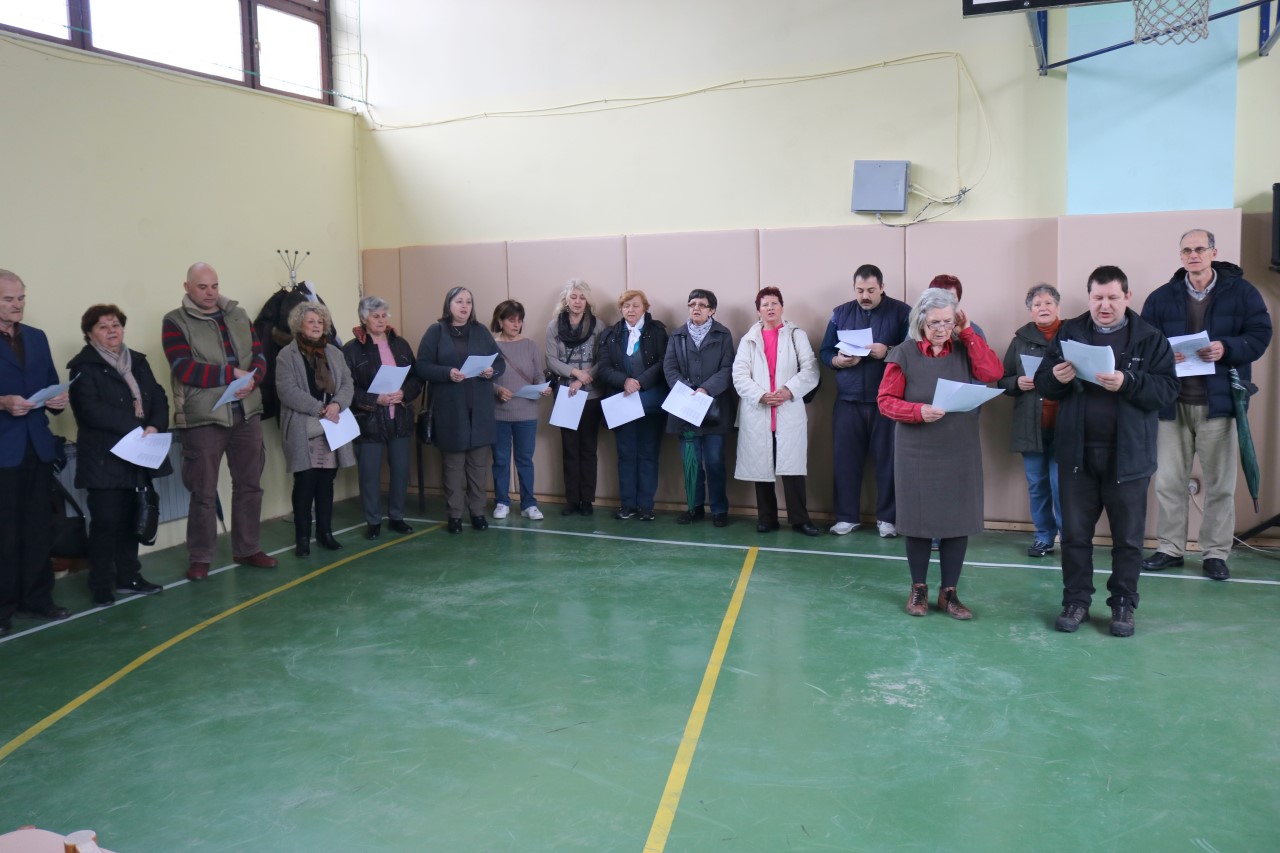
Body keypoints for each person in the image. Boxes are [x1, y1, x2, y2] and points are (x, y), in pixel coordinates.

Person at [1036, 265, 1178, 638]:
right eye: (1098, 297)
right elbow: (1044, 383)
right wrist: (1056, 378)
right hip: (1077, 455)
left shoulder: (1150, 338)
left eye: (1113, 297)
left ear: (1127, 297)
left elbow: (1166, 391)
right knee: (1074, 536)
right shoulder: (1070, 332)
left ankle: (1123, 605)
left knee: (1128, 540)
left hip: (1128, 457)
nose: (1105, 305)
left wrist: (1128, 382)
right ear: (1089, 297)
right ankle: (1076, 601)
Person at [1139, 229, 1273, 581]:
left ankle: (1215, 553)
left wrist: (1227, 348)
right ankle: (1170, 548)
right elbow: (1143, 343)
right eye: (1186, 250)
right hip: (1171, 404)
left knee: (1220, 485)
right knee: (1169, 482)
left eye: (1200, 249)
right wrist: (1163, 355)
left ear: (1214, 252)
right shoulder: (1161, 297)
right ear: (1180, 256)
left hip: (1220, 404)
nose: (1193, 255)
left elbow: (1260, 335)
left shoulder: (1242, 292)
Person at [878, 288, 1002, 619]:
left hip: (959, 445)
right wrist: (918, 411)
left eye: (948, 322)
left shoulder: (965, 347)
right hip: (916, 448)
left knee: (957, 520)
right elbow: (886, 401)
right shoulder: (903, 353)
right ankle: (918, 589)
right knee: (917, 520)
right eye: (935, 322)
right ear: (920, 321)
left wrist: (969, 332)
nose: (942, 329)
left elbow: (992, 373)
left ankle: (950, 593)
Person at [162, 262, 277, 581]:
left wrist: (253, 379)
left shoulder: (238, 315)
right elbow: (183, 367)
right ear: (187, 287)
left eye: (214, 286)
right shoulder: (174, 321)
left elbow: (259, 356)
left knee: (250, 485)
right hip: (204, 418)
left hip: (246, 412)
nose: (210, 293)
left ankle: (248, 548)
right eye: (202, 287)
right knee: (203, 491)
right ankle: (200, 557)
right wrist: (230, 374)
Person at [67, 304, 172, 606]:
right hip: (104, 459)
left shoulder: (137, 361)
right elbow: (89, 410)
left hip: (138, 455)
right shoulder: (83, 367)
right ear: (90, 334)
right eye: (103, 326)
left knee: (132, 520)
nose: (111, 331)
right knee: (106, 523)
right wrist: (136, 426)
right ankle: (100, 583)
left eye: (115, 325)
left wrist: (154, 425)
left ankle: (129, 577)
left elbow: (158, 395)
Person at [0, 270, 72, 636]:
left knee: (38, 528)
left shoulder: (37, 337)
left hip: (38, 447)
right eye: (8, 299)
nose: (18, 305)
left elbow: (50, 384)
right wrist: (2, 402)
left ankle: (38, 599)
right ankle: (3, 608)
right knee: (4, 533)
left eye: (21, 298)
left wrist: (58, 399)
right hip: (4, 450)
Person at [818, 264, 910, 538]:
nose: (865, 296)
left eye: (871, 290)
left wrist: (888, 351)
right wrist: (837, 361)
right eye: (860, 290)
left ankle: (887, 519)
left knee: (888, 462)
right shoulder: (840, 313)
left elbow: (912, 351)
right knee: (845, 461)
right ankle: (846, 517)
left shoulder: (902, 312)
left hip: (886, 400)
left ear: (882, 287)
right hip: (847, 400)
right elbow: (824, 351)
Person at [415, 287, 504, 533]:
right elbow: (421, 366)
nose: (464, 306)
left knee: (478, 466)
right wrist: (447, 373)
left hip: (480, 409)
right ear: (449, 305)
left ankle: (477, 512)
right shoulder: (436, 331)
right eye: (459, 301)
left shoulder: (480, 331)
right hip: (450, 410)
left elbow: (499, 362)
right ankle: (454, 514)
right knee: (453, 466)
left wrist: (491, 371)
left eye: (468, 302)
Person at [733, 287, 820, 536]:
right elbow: (739, 375)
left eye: (774, 303)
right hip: (758, 410)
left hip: (787, 408)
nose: (770, 308)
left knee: (793, 469)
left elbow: (811, 369)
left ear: (782, 307)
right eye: (765, 305)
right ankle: (767, 518)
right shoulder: (749, 339)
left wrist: (788, 391)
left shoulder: (796, 335)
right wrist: (761, 395)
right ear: (758, 311)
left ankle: (800, 519)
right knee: (761, 468)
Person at [277, 302, 356, 556]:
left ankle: (325, 533)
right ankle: (302, 538)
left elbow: (348, 384)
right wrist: (320, 409)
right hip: (303, 425)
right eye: (311, 321)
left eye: (320, 322)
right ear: (299, 324)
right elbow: (287, 391)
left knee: (326, 482)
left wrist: (337, 404)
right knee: (305, 482)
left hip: (332, 424)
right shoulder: (286, 355)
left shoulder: (334, 353)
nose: (316, 326)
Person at [342, 296, 423, 540]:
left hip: (399, 416)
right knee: (369, 473)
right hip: (369, 419)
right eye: (375, 316)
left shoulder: (400, 344)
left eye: (384, 315)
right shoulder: (351, 350)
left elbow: (416, 377)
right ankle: (373, 521)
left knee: (401, 470)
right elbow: (346, 388)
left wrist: (404, 393)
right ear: (363, 318)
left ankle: (397, 516)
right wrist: (373, 399)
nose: (381, 320)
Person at [997, 284, 1064, 559]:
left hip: (1065, 426)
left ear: (1057, 307)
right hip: (1030, 426)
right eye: (1037, 304)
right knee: (1037, 485)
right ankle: (1043, 536)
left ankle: (1070, 539)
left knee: (1062, 486)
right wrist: (1017, 382)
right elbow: (1002, 380)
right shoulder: (1020, 340)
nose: (1043, 308)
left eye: (1048, 303)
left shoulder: (1073, 334)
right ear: (1030, 310)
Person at [663, 288, 737, 527]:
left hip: (714, 408)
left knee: (715, 462)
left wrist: (705, 389)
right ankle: (693, 508)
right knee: (691, 462)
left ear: (712, 310)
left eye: (702, 305)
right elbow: (669, 368)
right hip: (685, 409)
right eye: (692, 304)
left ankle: (719, 510)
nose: (696, 308)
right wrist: (686, 390)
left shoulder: (723, 334)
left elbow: (727, 368)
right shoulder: (678, 335)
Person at [598, 290, 669, 521]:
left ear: (644, 308)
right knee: (625, 455)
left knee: (648, 454)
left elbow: (664, 363)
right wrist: (625, 381)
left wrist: (641, 382)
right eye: (626, 306)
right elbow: (604, 368)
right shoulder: (610, 334)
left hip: (650, 403)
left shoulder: (658, 331)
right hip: (622, 402)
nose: (631, 310)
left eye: (636, 305)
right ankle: (627, 504)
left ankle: (646, 506)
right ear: (621, 309)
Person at [546, 279, 606, 516]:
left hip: (592, 396)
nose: (578, 302)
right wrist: (574, 373)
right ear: (566, 300)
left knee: (588, 450)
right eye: (573, 297)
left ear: (587, 301)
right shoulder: (554, 326)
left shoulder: (598, 325)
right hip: (565, 395)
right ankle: (572, 499)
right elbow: (551, 359)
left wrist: (583, 379)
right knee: (569, 449)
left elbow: (603, 359)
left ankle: (587, 500)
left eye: (582, 297)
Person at [491, 300, 552, 521]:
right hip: (499, 414)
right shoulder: (490, 346)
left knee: (525, 460)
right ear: (500, 321)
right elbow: (483, 378)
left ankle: (529, 504)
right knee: (500, 460)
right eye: (511, 320)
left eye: (519, 320)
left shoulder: (530, 345)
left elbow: (538, 375)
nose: (516, 324)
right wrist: (497, 390)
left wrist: (542, 388)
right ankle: (501, 501)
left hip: (526, 413)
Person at [929, 275, 985, 339]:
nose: (946, 302)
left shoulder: (974, 330)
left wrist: (966, 334)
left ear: (958, 300)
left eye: (951, 297)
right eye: (941, 297)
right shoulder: (923, 328)